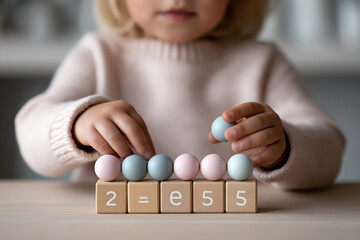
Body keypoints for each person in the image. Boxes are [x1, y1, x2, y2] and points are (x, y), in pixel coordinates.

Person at [15, 0, 345, 189]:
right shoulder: (98, 54)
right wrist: (76, 125)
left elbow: (329, 148)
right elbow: (30, 133)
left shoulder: (262, 62)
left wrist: (284, 148)